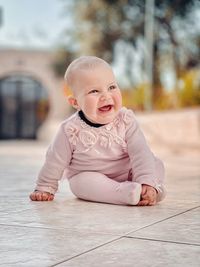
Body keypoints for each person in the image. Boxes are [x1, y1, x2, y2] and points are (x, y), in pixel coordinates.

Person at [29, 56, 166, 206]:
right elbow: (55, 160)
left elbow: (140, 153)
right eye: (94, 91)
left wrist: (145, 180)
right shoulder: (70, 130)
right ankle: (126, 193)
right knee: (80, 184)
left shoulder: (126, 120)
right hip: (91, 176)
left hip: (128, 173)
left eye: (112, 87)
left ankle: (149, 189)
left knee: (154, 163)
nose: (106, 96)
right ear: (75, 102)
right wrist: (45, 186)